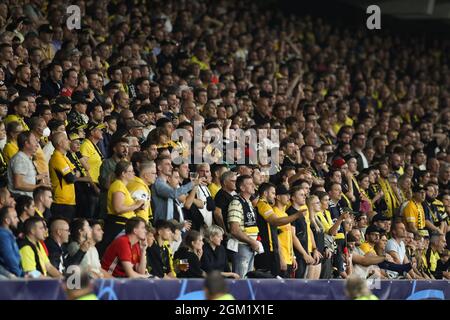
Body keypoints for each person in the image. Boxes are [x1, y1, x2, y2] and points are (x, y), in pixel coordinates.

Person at [255, 182, 305, 276]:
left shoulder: (273, 209)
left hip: (275, 252)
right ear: (265, 193)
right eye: (273, 193)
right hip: (268, 250)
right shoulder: (263, 204)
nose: (274, 196)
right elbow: (275, 222)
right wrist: (296, 215)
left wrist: (292, 256)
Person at [99, 161, 145, 256]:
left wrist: (136, 208)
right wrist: (136, 205)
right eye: (131, 171)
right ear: (123, 173)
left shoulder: (122, 186)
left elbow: (124, 208)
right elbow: (118, 209)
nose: (134, 173)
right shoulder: (118, 185)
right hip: (118, 226)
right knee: (118, 255)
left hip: (123, 225)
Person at [227, 175, 260, 278]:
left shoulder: (248, 203)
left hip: (250, 246)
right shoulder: (236, 203)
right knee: (240, 280)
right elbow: (234, 230)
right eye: (250, 184)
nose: (253, 186)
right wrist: (251, 241)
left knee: (247, 279)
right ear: (242, 188)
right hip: (242, 246)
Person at [8, 131, 46, 197]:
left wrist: (37, 177)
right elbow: (18, 184)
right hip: (21, 201)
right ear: (27, 144)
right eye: (34, 141)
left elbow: (25, 179)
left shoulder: (25, 158)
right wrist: (38, 187)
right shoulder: (20, 159)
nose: (37, 144)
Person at [49, 132, 77, 220]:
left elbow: (76, 171)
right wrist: (73, 173)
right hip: (61, 202)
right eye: (66, 139)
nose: (69, 141)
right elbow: (71, 178)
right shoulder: (57, 158)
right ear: (60, 143)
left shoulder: (64, 157)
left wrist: (73, 173)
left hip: (69, 201)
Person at [0, 205, 23, 278]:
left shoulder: (8, 235)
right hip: (9, 275)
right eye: (15, 217)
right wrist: (20, 275)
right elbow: (9, 258)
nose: (18, 220)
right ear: (7, 220)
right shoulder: (3, 236)